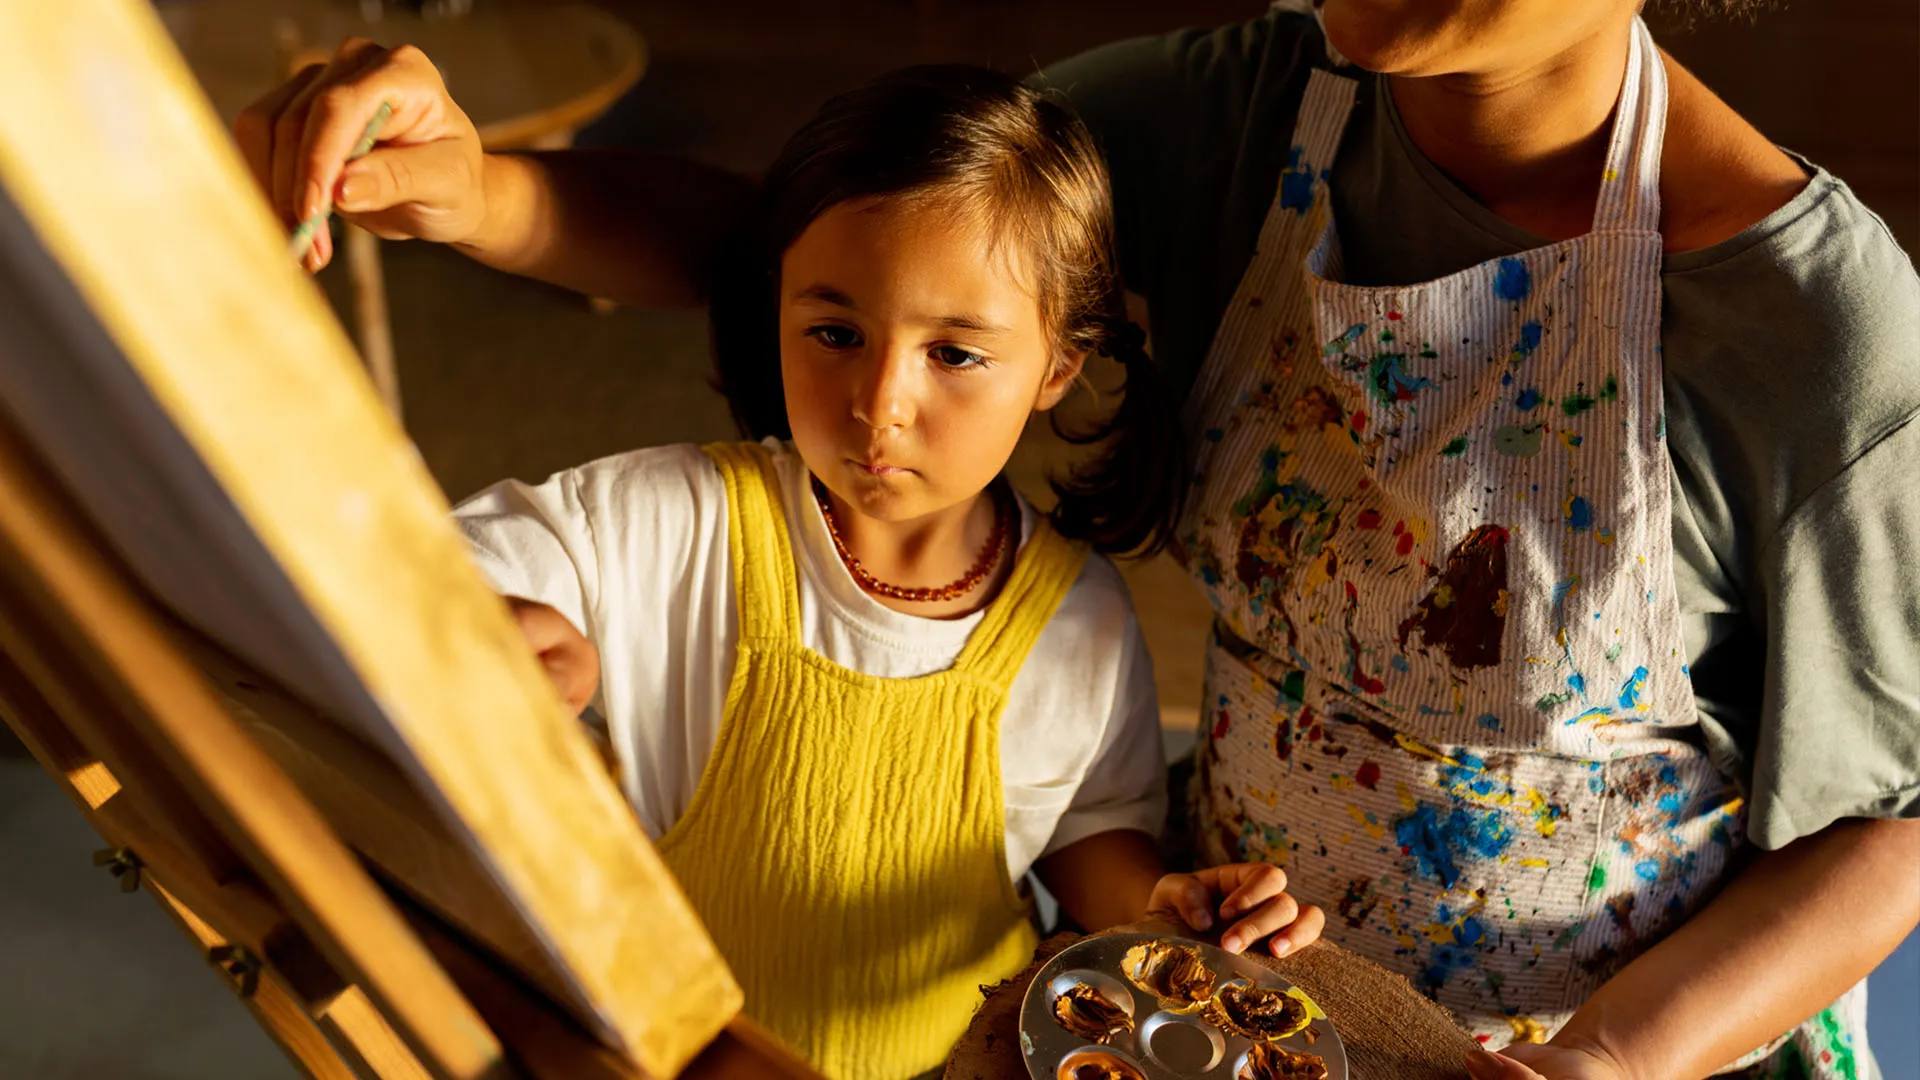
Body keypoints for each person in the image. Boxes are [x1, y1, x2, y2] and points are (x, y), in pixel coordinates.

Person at [237, 2, 1920, 1076]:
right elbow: (854, 241)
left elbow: (1895, 831)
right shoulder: (1264, 111)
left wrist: (1606, 1068)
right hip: (1207, 1008)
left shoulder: (1816, 327)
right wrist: (477, 192)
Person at [440, 66, 1323, 1079]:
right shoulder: (677, 522)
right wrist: (486, 618)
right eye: (834, 334)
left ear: (1058, 366)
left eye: (954, 354)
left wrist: (1156, 910)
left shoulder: (1078, 619)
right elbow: (444, 562)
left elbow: (1086, 829)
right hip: (677, 1060)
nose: (880, 403)